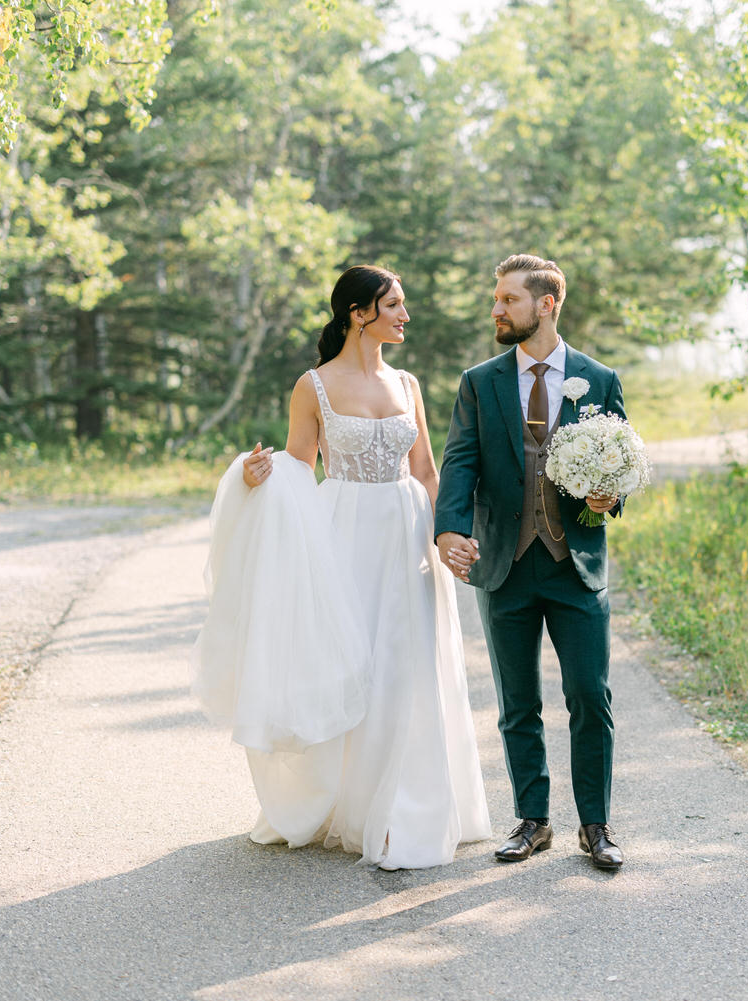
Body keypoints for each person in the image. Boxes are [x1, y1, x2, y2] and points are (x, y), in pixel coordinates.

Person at [192, 265, 490, 871]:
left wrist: (448, 534)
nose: (406, 315)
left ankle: (407, 805)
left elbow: (428, 471)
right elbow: (299, 469)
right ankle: (346, 803)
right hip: (344, 533)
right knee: (356, 661)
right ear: (359, 313)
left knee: (409, 663)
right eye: (395, 305)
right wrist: (253, 477)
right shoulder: (314, 386)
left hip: (406, 535)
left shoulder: (408, 384)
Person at [434, 254, 627, 871]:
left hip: (576, 565)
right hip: (505, 566)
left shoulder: (599, 377)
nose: (496, 309)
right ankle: (533, 821)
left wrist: (610, 495)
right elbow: (460, 460)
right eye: (496, 299)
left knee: (589, 696)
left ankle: (595, 826)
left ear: (546, 305)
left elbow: (620, 458)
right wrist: (448, 531)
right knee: (518, 703)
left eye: (508, 300)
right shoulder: (479, 381)